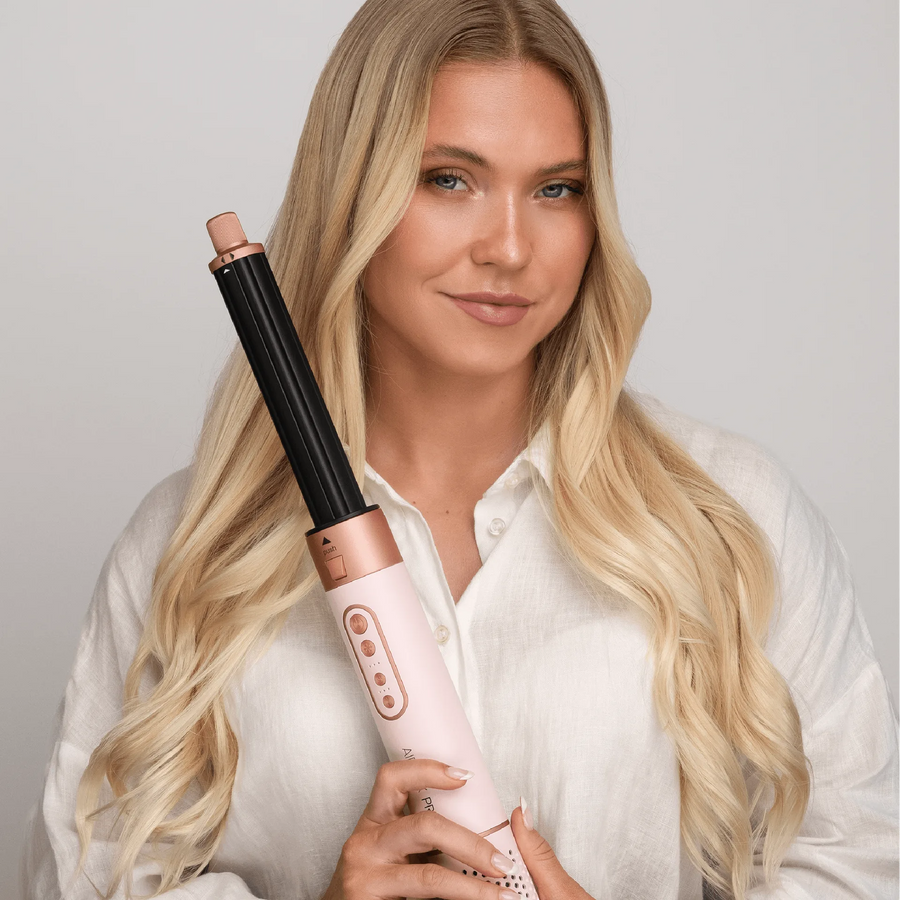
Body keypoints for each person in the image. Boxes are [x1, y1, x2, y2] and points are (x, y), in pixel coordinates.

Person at [22, 0, 899, 897]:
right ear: (352, 194)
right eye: (450, 179)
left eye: (556, 189)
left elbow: (861, 863)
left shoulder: (734, 513)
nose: (510, 248)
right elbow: (82, 878)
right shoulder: (190, 542)